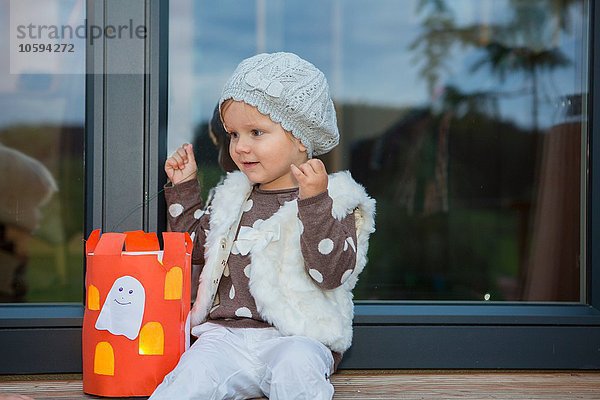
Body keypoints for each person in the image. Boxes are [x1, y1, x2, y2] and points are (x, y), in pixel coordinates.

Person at [151, 52, 375, 400]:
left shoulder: (334, 199)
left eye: (256, 132)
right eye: (234, 134)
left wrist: (314, 202)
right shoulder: (231, 198)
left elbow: (331, 273)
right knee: (190, 379)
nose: (241, 147)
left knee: (296, 370)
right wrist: (184, 188)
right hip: (225, 338)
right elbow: (193, 250)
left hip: (298, 337)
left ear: (301, 138)